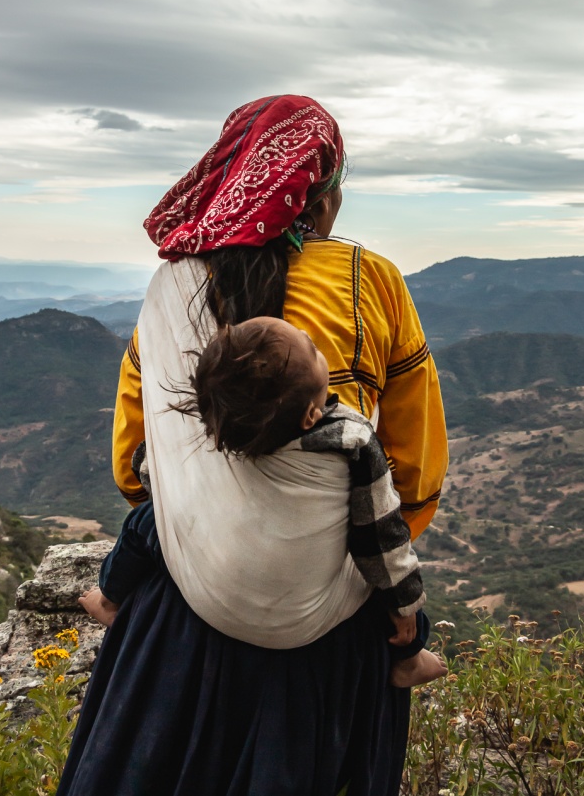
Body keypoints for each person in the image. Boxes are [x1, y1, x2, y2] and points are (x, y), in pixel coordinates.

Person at [57, 94, 448, 796]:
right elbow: (415, 472)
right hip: (331, 641)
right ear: (321, 201)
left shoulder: (171, 283)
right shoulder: (373, 280)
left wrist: (208, 529)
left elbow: (133, 463)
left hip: (180, 619)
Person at [80, 316, 447, 690]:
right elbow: (381, 533)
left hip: (216, 606)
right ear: (309, 416)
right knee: (389, 569)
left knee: (145, 519)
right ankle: (410, 660)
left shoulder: (217, 428)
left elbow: (151, 469)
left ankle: (109, 599)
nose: (309, 334)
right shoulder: (348, 439)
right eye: (314, 349)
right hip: (305, 624)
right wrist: (406, 606)